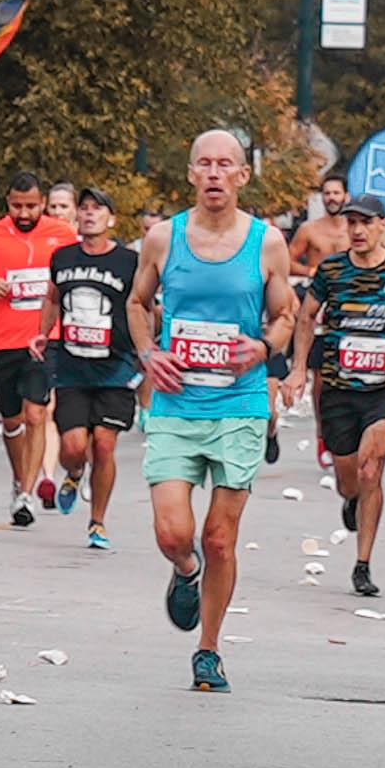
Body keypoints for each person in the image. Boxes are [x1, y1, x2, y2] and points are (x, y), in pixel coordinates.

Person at [129, 128, 280, 693]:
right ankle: (184, 571)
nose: (215, 173)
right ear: (191, 173)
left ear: (243, 176)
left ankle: (209, 650)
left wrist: (264, 346)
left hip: (239, 403)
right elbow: (138, 303)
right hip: (175, 401)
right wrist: (148, 353)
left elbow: (285, 314)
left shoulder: (267, 243)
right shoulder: (163, 238)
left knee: (220, 538)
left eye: (226, 165)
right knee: (176, 533)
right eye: (205, 164)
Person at [292, 188, 385, 600]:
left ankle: (363, 564)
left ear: (384, 225)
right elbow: (306, 316)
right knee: (349, 479)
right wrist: (298, 368)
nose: (358, 230)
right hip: (339, 387)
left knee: (372, 471)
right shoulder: (331, 270)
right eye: (352, 222)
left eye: (366, 222)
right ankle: (350, 499)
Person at [0, 172, 67, 526]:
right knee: (11, 419)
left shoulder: (62, 234)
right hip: (3, 339)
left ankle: (26, 491)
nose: (23, 213)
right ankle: (18, 477)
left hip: (44, 338)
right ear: (8, 203)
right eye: (16, 206)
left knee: (37, 414)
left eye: (31, 206)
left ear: (43, 203)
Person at [43, 187, 143, 553]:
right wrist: (42, 334)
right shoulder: (62, 257)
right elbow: (53, 298)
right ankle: (72, 473)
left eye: (97, 209)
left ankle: (97, 521)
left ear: (111, 219)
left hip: (115, 366)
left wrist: (148, 346)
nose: (88, 215)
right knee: (73, 447)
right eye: (83, 209)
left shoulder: (128, 262)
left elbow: (143, 304)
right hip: (72, 366)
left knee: (104, 444)